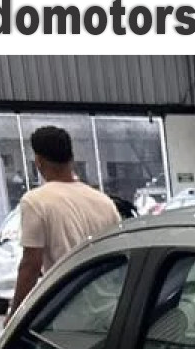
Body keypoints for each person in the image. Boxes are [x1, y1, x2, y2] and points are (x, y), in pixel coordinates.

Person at [10, 125, 120, 308]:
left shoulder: (35, 201)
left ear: (38, 161)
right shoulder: (104, 201)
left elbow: (31, 265)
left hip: (69, 311)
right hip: (111, 307)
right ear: (71, 159)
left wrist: (15, 313)